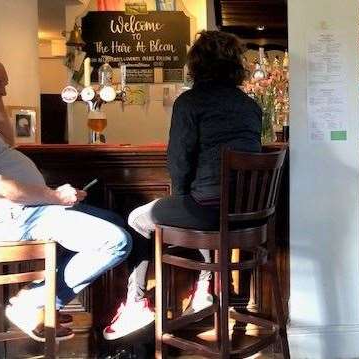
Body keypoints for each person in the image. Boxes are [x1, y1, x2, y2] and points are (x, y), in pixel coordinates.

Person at [102, 30, 262, 340]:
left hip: (207, 209)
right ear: (236, 65)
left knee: (138, 219)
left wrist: (180, 199)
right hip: (251, 213)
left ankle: (135, 302)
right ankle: (208, 283)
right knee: (200, 214)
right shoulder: (250, 105)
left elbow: (178, 162)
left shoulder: (189, 102)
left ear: (197, 64)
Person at [0, 59, 132, 342]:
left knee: (115, 219)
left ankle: (41, 300)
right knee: (116, 241)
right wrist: (55, 196)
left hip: (30, 209)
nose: (5, 92)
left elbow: (9, 143)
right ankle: (33, 302)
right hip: (16, 216)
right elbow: (2, 186)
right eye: (0, 84)